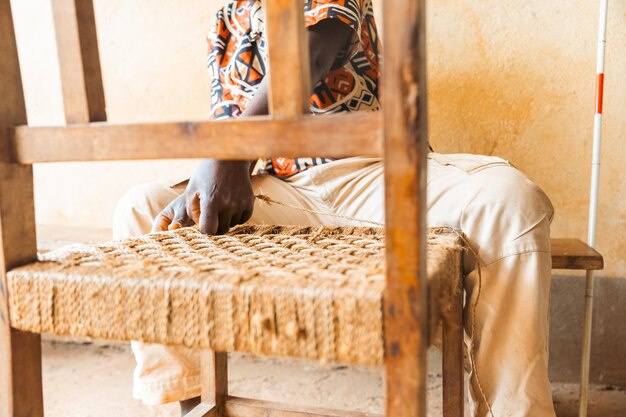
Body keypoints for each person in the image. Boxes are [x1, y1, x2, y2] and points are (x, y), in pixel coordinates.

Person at [113, 1, 557, 416]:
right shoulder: (228, 18)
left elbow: (316, 53)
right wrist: (211, 175)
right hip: (278, 193)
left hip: (378, 177)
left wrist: (233, 150)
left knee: (510, 202)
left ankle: (512, 409)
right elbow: (225, 154)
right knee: (142, 209)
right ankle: (194, 403)